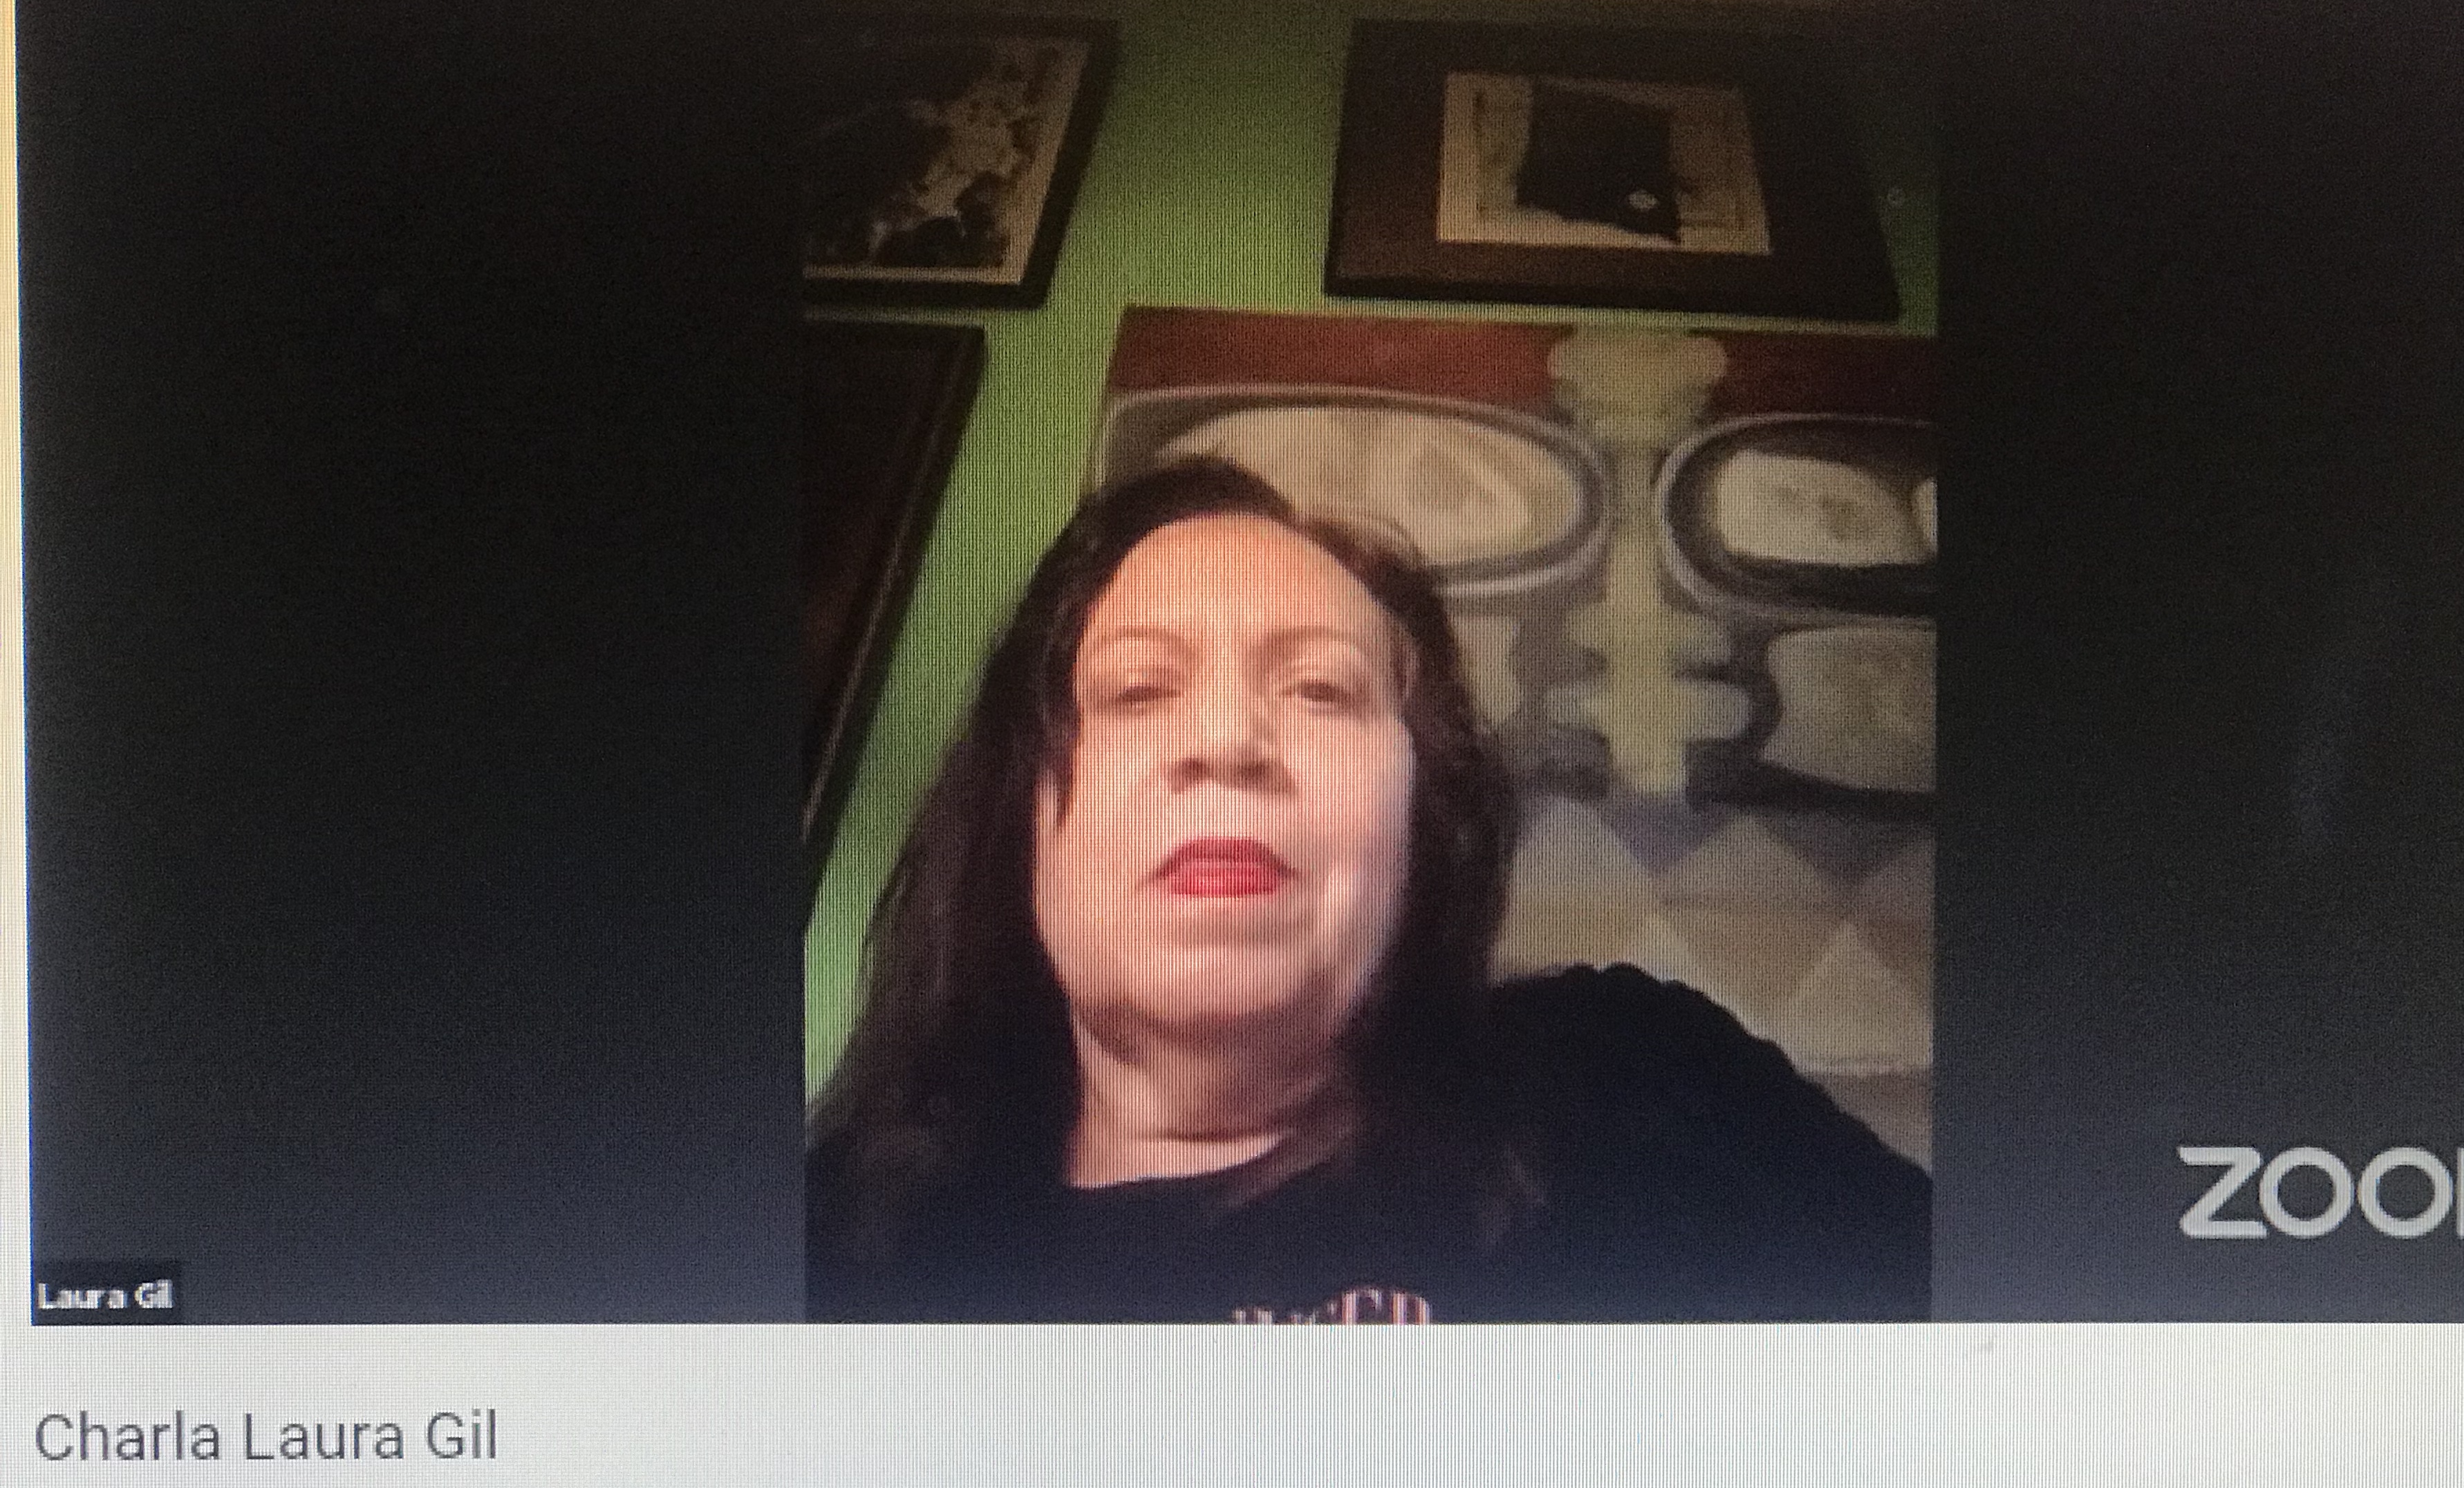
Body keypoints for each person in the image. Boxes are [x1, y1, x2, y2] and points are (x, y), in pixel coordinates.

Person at [806, 457, 1928, 1323]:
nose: (1230, 741)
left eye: (1323, 690)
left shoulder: (1642, 1081)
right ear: (1021, 821)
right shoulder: (839, 1240)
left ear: (1419, 825)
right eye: (1139, 689)